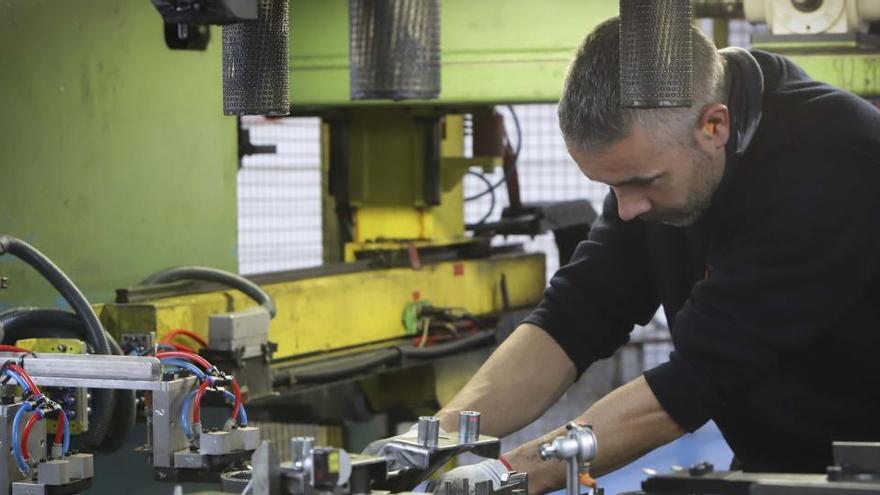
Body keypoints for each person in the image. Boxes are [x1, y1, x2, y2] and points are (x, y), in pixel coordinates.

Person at [367, 16, 880, 494]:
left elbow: (696, 379)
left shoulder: (834, 159)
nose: (626, 209)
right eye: (611, 186)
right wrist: (423, 445)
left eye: (640, 182)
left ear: (714, 126)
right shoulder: (664, 166)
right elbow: (573, 318)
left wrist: (503, 476)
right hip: (777, 466)